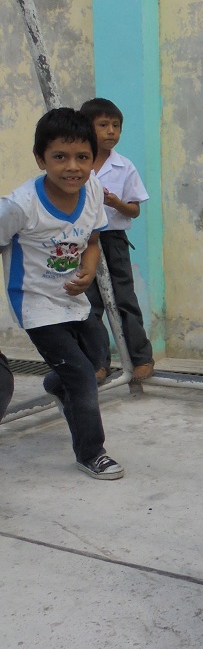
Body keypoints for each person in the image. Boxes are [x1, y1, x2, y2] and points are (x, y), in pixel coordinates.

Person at [0, 107, 124, 479]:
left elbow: (93, 240)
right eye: (60, 157)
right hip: (36, 305)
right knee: (83, 376)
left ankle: (56, 384)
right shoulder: (19, 206)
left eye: (82, 157)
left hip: (73, 299)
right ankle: (92, 453)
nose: (72, 167)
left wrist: (89, 268)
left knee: (97, 358)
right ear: (41, 159)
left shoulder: (93, 189)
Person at [79, 98, 154, 383]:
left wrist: (116, 203)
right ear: (87, 128)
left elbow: (134, 209)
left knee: (124, 299)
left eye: (116, 126)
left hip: (113, 240)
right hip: (83, 241)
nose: (111, 131)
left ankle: (141, 357)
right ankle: (98, 362)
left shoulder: (124, 166)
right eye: (103, 125)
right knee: (89, 303)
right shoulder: (79, 163)